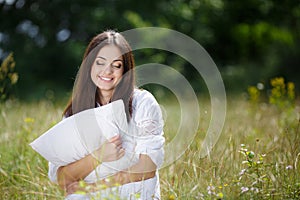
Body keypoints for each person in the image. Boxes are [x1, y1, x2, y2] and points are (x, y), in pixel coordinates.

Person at [48, 30, 165, 199]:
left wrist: (93, 188)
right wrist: (98, 156)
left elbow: (147, 167)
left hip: (135, 193)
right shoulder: (74, 112)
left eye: (116, 65)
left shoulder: (143, 103)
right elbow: (62, 179)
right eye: (100, 63)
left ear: (125, 69)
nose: (107, 71)